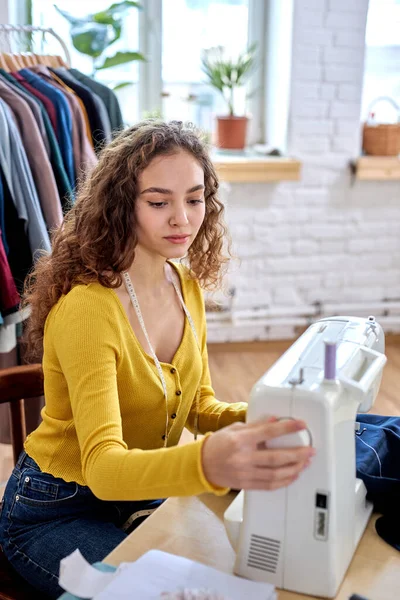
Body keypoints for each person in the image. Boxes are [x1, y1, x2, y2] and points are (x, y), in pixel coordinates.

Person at [0, 120, 315, 598]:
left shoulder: (183, 285)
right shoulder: (89, 309)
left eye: (194, 198)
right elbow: (104, 469)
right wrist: (207, 462)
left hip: (138, 489)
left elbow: (199, 406)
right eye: (158, 202)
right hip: (57, 507)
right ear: (121, 206)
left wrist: (277, 417)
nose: (182, 220)